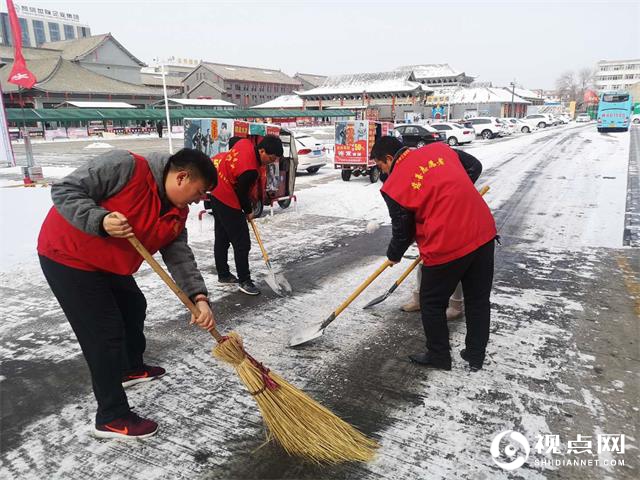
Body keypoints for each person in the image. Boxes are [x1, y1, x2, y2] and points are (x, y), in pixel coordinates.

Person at [37, 148, 217, 439]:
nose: (199, 200)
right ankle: (111, 415)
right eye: (199, 192)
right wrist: (100, 220)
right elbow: (65, 190)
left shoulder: (176, 212)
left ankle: (128, 368)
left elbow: (180, 256)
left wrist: (198, 298)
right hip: (68, 256)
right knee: (104, 334)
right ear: (182, 177)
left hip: (110, 264)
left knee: (134, 305)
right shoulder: (127, 167)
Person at [370, 136, 496, 372]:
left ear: (389, 158)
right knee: (478, 300)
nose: (383, 173)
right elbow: (474, 166)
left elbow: (402, 230)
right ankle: (475, 355)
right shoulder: (439, 149)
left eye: (380, 166)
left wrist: (393, 255)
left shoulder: (395, 185)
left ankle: (439, 356)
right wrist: (453, 194)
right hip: (482, 231)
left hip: (446, 243)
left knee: (431, 302)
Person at [401, 146, 484, 319]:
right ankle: (419, 298)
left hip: (458, 215)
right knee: (426, 260)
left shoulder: (444, 154)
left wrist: (459, 191)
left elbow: (476, 166)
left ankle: (456, 305)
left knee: (454, 259)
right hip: (435, 215)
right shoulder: (414, 167)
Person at [210, 135, 283, 295]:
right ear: (262, 150)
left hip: (216, 191)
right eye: (270, 158)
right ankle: (245, 280)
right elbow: (241, 194)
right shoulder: (250, 170)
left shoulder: (244, 143)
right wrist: (249, 211)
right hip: (227, 197)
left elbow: (234, 142)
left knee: (222, 236)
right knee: (242, 243)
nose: (270, 162)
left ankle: (223, 274)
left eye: (274, 159)